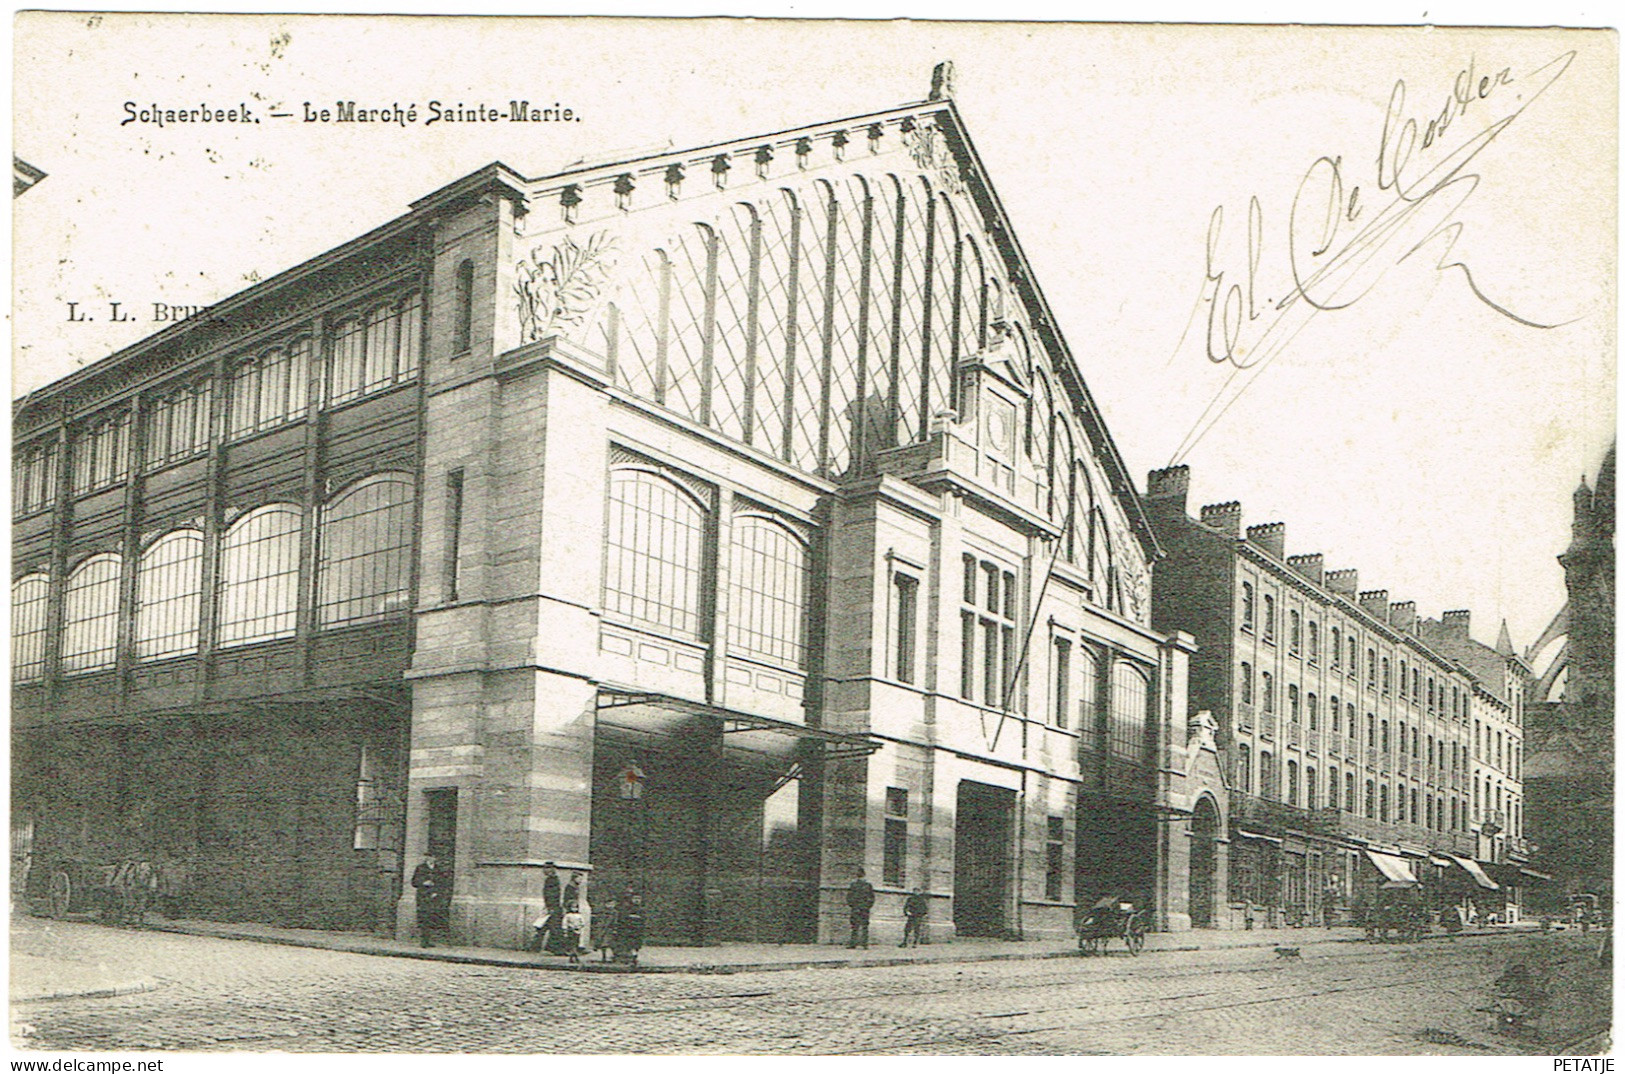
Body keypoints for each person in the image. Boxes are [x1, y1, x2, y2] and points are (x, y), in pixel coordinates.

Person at [411, 855, 451, 948]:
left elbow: (442, 882)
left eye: (433, 857)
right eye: (429, 857)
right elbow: (414, 882)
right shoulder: (420, 868)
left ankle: (430, 940)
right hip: (423, 896)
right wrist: (423, 883)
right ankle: (424, 941)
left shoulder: (438, 869)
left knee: (432, 918)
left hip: (435, 896)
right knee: (424, 917)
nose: (432, 859)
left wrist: (436, 891)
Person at [530, 862, 564, 953]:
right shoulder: (552, 879)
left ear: (551, 869)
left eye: (546, 868)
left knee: (549, 928)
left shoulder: (552, 880)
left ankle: (542, 947)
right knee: (548, 928)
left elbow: (552, 895)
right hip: (552, 907)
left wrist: (550, 907)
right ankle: (548, 948)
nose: (544, 870)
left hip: (552, 907)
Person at [846, 871, 875, 949]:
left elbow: (871, 898)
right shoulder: (854, 885)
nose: (860, 878)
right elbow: (849, 897)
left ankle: (864, 944)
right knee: (855, 926)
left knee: (863, 926)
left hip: (863, 909)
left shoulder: (868, 885)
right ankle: (855, 944)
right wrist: (852, 905)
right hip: (857, 908)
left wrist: (867, 906)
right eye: (859, 876)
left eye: (861, 876)